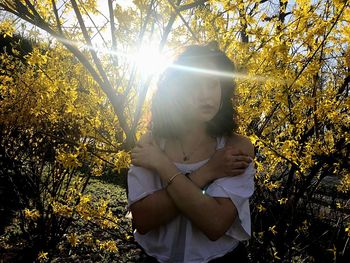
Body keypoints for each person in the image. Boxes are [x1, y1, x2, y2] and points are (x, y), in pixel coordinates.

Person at [127, 42, 255, 263]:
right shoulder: (152, 145)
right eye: (194, 85)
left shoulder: (236, 147)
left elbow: (214, 223)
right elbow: (143, 219)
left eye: (213, 84)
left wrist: (163, 166)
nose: (206, 95)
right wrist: (208, 172)